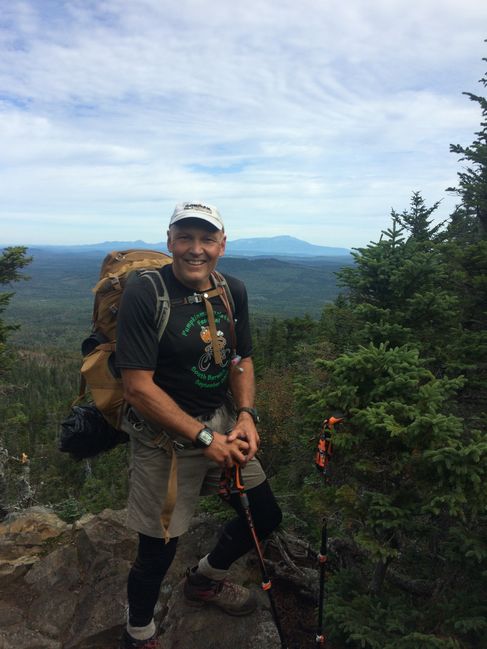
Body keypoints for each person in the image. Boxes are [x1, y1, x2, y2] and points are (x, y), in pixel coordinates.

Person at [116, 201, 282, 649]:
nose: (195, 249)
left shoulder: (233, 290)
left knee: (264, 516)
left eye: (206, 238)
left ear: (222, 245)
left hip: (223, 422)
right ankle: (139, 633)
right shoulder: (146, 292)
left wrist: (246, 414)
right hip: (163, 439)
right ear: (169, 241)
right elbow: (136, 387)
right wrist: (203, 438)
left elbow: (240, 358)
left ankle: (205, 579)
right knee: (158, 548)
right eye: (185, 238)